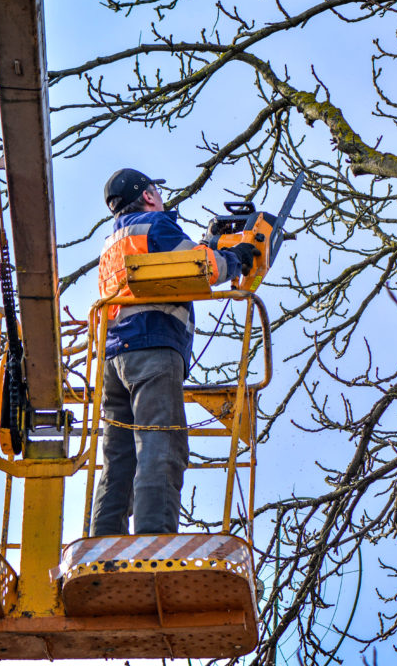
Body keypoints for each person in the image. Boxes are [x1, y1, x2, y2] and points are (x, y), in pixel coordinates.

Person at [90, 168, 257, 537]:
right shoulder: (155, 226)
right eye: (157, 192)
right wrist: (238, 257)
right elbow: (202, 268)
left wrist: (208, 245)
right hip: (152, 348)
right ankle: (153, 542)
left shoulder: (113, 241)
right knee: (160, 444)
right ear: (148, 195)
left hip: (115, 357)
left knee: (118, 460)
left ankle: (102, 544)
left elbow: (176, 268)